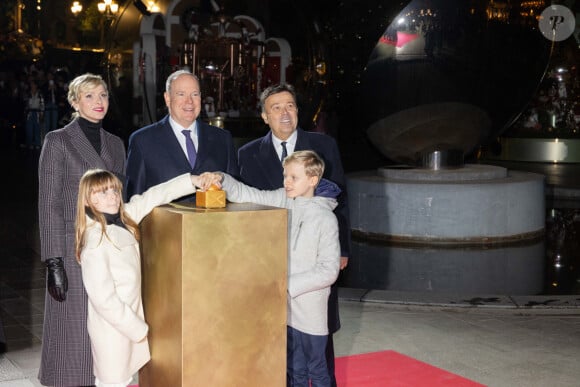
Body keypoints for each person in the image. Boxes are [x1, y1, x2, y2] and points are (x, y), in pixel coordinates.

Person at [237, 83, 351, 385]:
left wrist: (343, 250)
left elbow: (342, 200)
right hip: (271, 259)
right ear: (264, 116)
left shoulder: (323, 145)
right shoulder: (247, 154)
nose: (285, 113)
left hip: (315, 256)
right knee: (283, 339)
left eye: (290, 105)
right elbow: (249, 200)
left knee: (318, 340)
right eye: (276, 107)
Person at [201, 150, 340, 386]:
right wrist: (221, 179)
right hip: (284, 310)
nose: (286, 182)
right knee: (294, 369)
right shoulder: (284, 200)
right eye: (285, 176)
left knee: (317, 370)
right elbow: (248, 193)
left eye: (293, 178)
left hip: (310, 310)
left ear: (313, 180)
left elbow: (329, 270)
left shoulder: (326, 219)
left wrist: (288, 284)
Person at [75, 169, 206, 387]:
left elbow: (154, 195)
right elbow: (104, 301)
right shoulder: (95, 243)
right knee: (112, 382)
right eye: (102, 192)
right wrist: (138, 328)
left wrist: (192, 180)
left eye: (115, 190)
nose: (112, 196)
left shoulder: (122, 218)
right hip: (114, 330)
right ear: (88, 201)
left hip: (127, 324)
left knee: (123, 379)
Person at [38, 73, 126, 387]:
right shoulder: (58, 140)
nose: (98, 102)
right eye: (88, 96)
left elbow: (120, 199)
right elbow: (49, 203)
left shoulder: (115, 143)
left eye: (102, 95)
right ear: (75, 102)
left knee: (103, 324)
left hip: (106, 244)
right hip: (71, 247)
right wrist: (53, 261)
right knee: (71, 328)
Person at [125, 69, 238, 201]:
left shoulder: (222, 139)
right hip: (164, 221)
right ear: (167, 99)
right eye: (181, 94)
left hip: (216, 220)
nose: (189, 101)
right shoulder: (142, 141)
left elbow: (236, 191)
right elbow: (134, 200)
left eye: (195, 94)